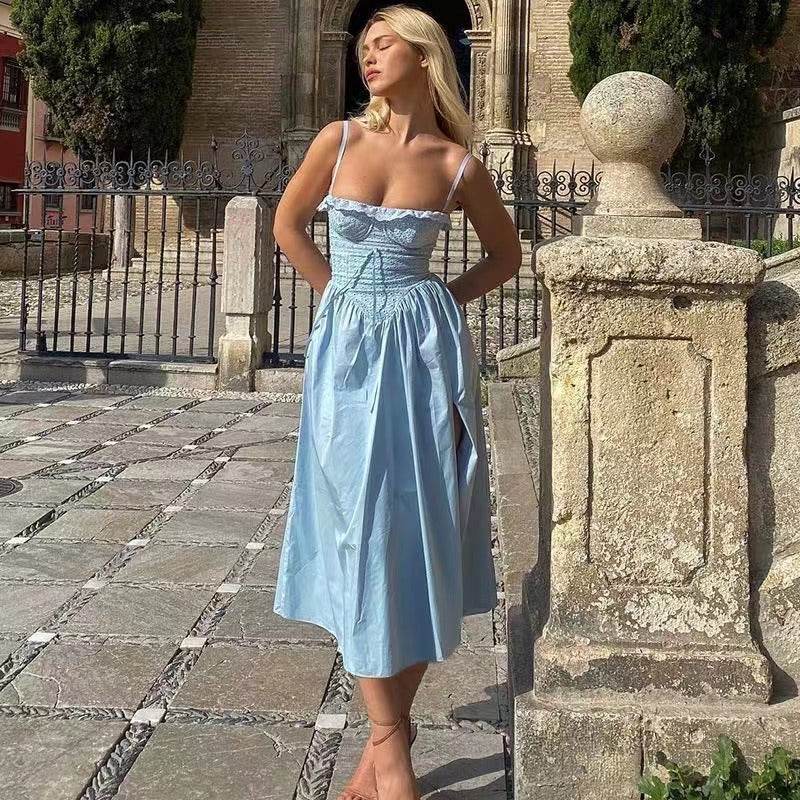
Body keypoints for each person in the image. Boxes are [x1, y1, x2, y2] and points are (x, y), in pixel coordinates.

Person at [271, 5, 522, 799]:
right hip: (348, 358)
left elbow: (506, 257)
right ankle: (394, 746)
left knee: (420, 536)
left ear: (424, 55)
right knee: (357, 533)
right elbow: (288, 223)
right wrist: (338, 298)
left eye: (383, 45)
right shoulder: (337, 141)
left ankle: (385, 746)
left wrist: (441, 300)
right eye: (362, 47)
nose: (368, 57)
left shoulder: (458, 166)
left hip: (423, 360)